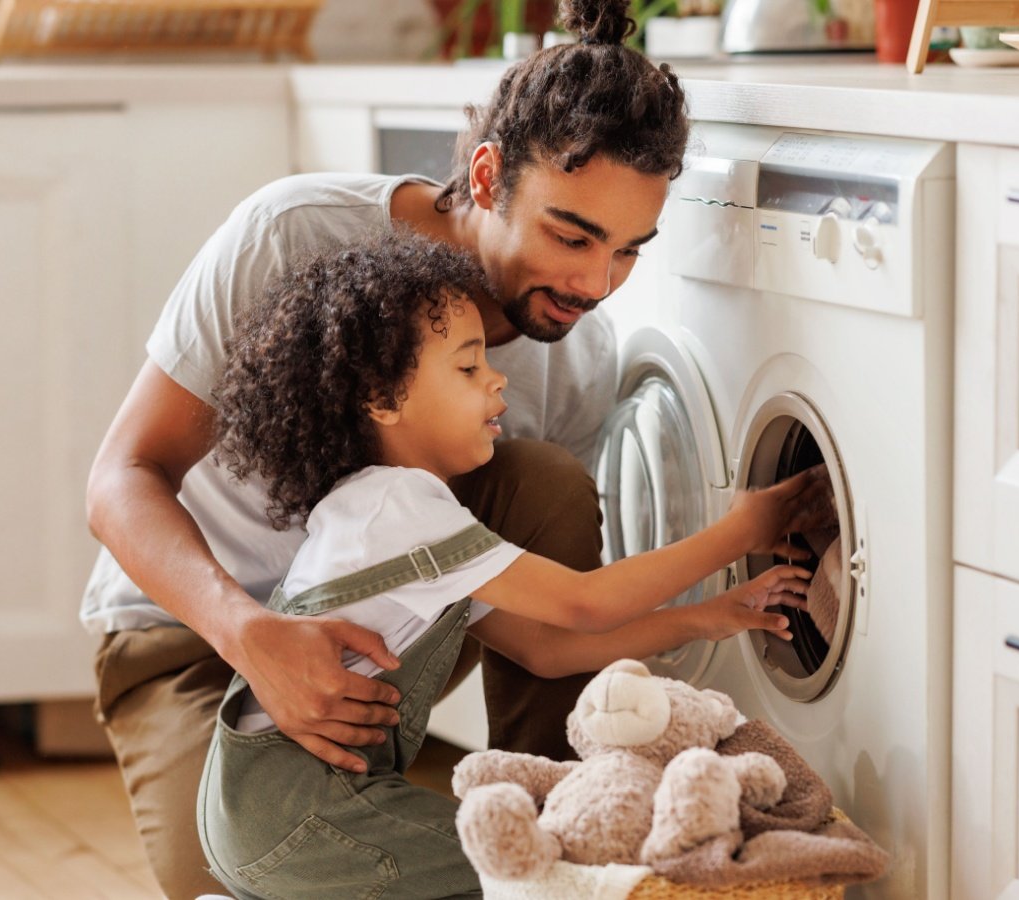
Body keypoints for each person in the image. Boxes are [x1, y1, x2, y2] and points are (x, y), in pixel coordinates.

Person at [86, 1, 709, 895]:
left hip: (381, 639)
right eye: (571, 235)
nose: (594, 284)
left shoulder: (574, 361)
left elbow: (545, 625)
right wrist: (250, 634)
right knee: (253, 879)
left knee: (547, 483)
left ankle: (554, 835)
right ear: (488, 175)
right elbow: (120, 479)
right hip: (188, 635)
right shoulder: (293, 234)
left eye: (628, 252)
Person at [198, 229, 825, 900]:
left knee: (521, 863)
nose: (496, 377)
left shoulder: (385, 513)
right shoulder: (399, 507)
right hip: (301, 813)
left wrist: (706, 619)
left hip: (261, 810)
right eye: (467, 368)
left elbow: (548, 651)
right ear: (383, 400)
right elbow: (586, 602)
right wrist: (743, 529)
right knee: (540, 867)